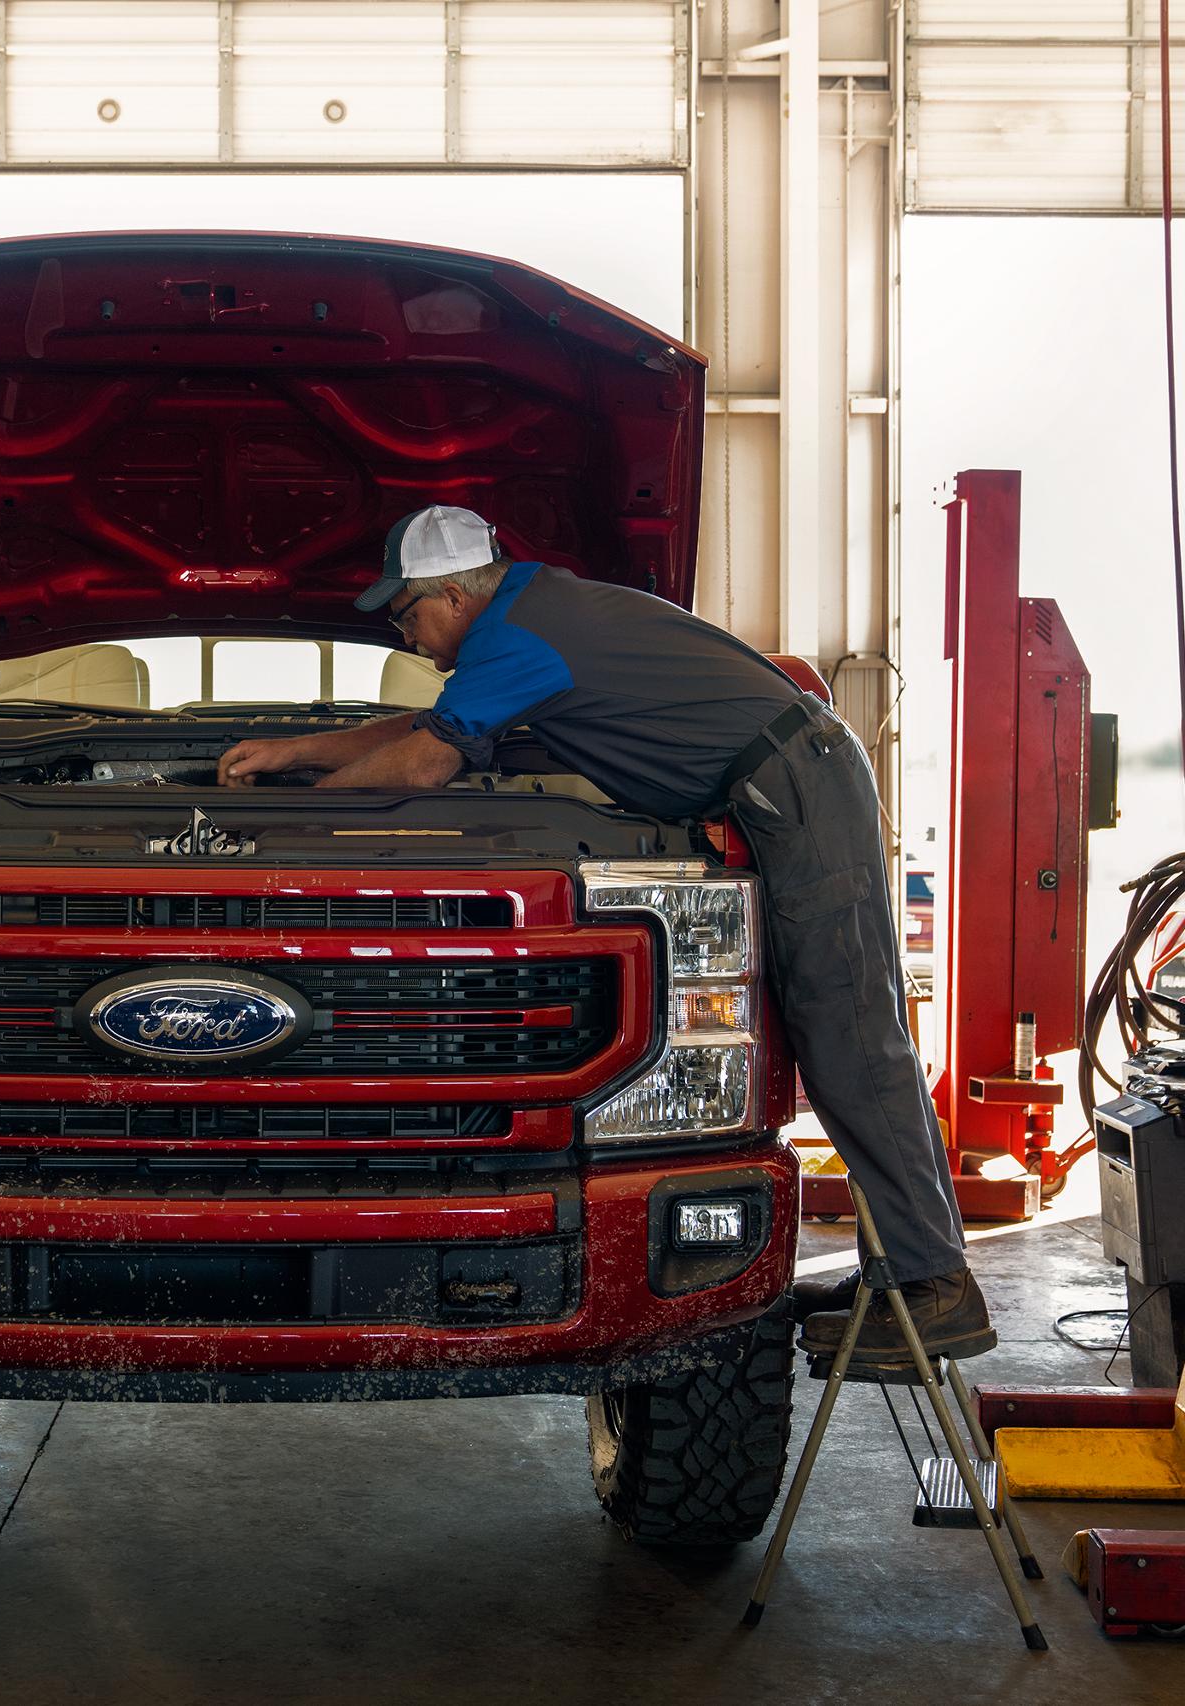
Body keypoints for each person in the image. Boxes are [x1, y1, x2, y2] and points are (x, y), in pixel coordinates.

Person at [216, 504, 992, 1371]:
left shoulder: (516, 637)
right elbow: (425, 730)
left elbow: (427, 762)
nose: (405, 636)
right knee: (837, 1026)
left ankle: (935, 1286)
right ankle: (902, 1270)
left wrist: (286, 817)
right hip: (788, 777)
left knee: (848, 1030)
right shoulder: (527, 617)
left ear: (450, 594)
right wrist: (294, 752)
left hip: (796, 786)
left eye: (406, 614)